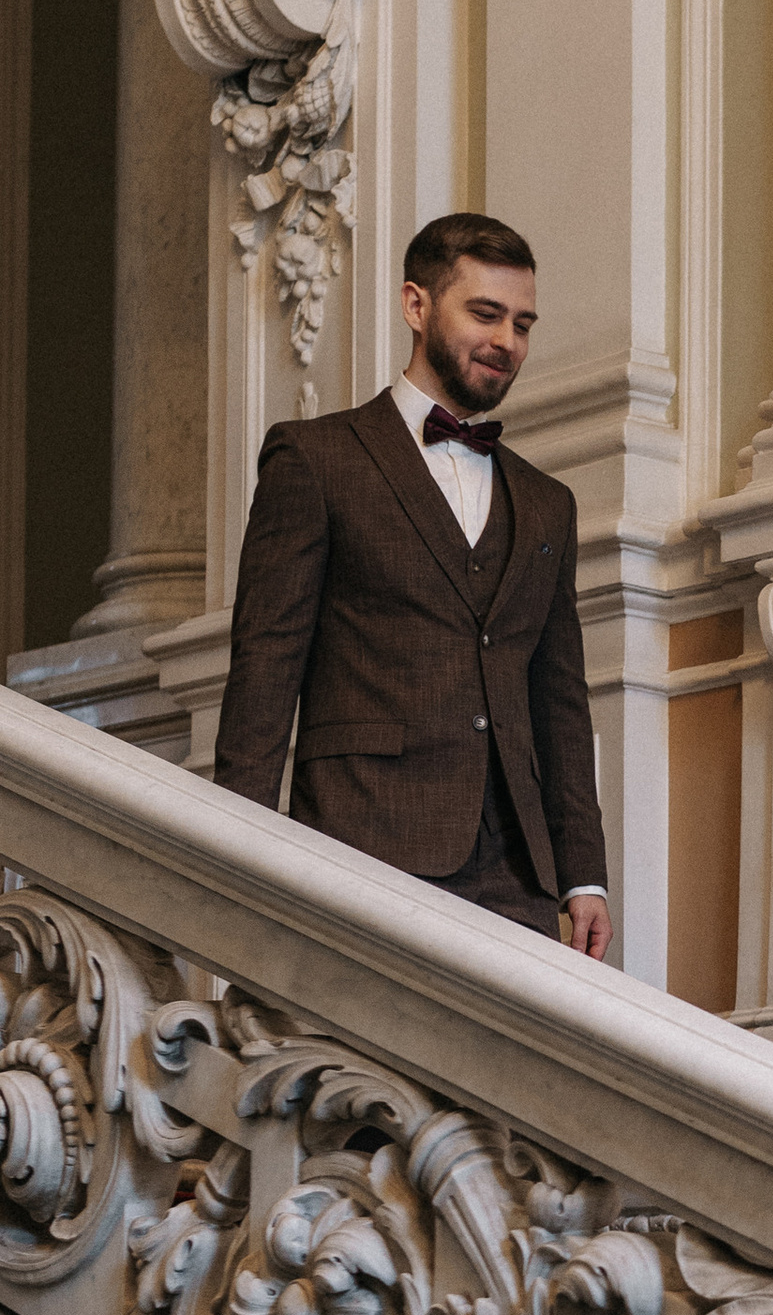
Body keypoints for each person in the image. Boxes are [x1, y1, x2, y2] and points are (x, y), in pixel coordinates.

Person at [213, 214, 613, 953]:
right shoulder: (316, 459)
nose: (507, 342)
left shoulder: (547, 500)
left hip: (517, 877)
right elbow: (267, 669)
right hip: (361, 841)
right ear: (416, 305)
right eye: (485, 314)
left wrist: (582, 874)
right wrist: (239, 849)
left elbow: (559, 697)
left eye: (523, 323)